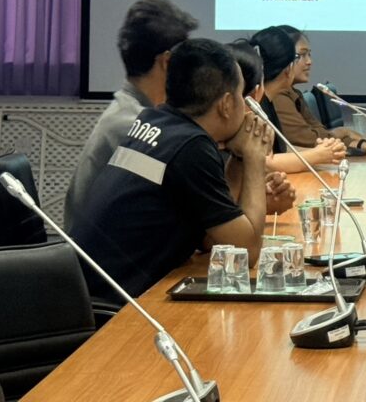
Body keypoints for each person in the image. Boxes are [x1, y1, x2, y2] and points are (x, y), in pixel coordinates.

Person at [72, 38, 275, 303]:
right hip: (114, 306)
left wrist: (238, 157)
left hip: (85, 289)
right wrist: (254, 158)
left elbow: (215, 237)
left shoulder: (155, 121)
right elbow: (245, 254)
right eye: (240, 95)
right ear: (226, 104)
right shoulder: (191, 147)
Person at [64, 0, 197, 231]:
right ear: (167, 62)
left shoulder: (132, 112)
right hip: (103, 252)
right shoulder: (134, 126)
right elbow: (183, 199)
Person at [267, 25, 366, 157]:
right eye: (302, 55)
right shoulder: (279, 96)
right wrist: (343, 132)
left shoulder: (294, 93)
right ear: (282, 58)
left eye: (309, 54)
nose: (309, 61)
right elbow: (312, 140)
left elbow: (322, 135)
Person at [248, 26, 348, 172]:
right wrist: (318, 155)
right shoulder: (255, 104)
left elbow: (281, 150)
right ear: (288, 66)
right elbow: (264, 161)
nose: (309, 62)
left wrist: (321, 151)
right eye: (299, 56)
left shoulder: (267, 99)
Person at [228, 39, 297, 211]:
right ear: (256, 94)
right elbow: (229, 221)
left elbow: (229, 207)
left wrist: (257, 197)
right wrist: (260, 204)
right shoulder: (204, 147)